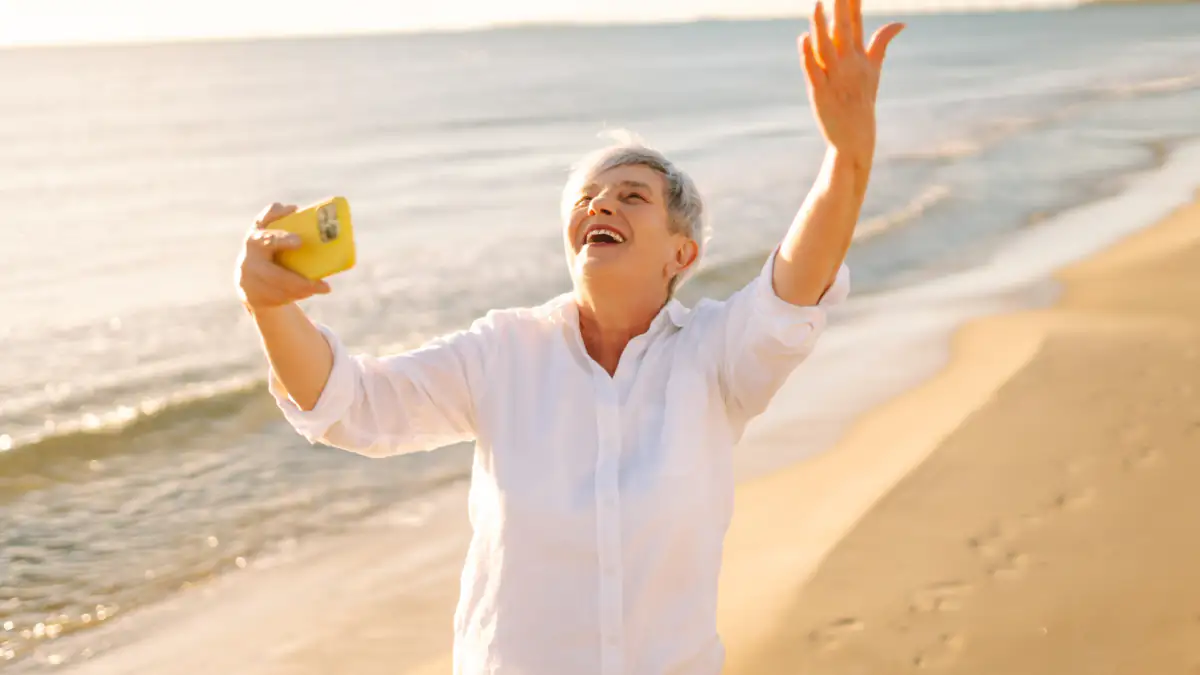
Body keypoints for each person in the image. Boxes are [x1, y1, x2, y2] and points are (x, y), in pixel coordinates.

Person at [235, 1, 902, 672]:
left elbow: (792, 285)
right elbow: (352, 405)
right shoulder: (503, 353)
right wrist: (271, 309)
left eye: (632, 196)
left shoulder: (714, 357)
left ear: (682, 255)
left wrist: (847, 158)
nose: (601, 204)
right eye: (588, 198)